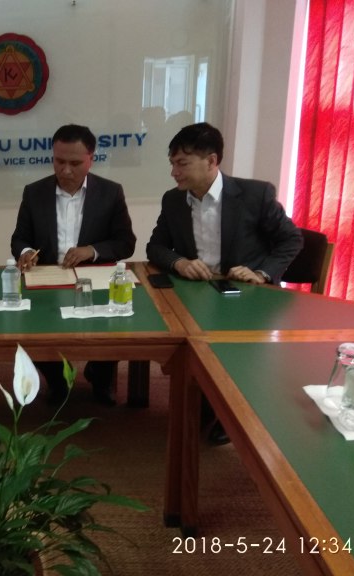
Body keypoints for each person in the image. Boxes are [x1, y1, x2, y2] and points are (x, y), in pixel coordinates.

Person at [146, 122, 303, 443]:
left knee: (231, 351)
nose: (174, 173)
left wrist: (262, 273)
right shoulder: (174, 200)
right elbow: (155, 247)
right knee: (175, 334)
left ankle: (228, 413)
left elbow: (291, 239)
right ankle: (203, 399)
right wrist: (179, 262)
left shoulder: (255, 195)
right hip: (196, 291)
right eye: (172, 164)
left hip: (245, 294)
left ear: (211, 161)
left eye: (182, 164)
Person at [11, 124, 136, 406]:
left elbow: (125, 242)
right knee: (34, 330)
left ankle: (100, 378)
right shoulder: (35, 192)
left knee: (113, 327)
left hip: (93, 279)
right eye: (59, 161)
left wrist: (91, 251)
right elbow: (19, 238)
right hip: (48, 278)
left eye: (75, 163)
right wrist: (27, 252)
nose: (66, 170)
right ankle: (57, 381)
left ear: (92, 158)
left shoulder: (110, 192)